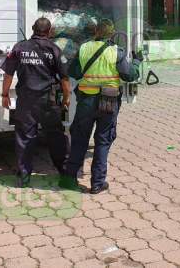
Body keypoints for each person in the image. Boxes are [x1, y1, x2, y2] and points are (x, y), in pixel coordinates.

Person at [60, 19, 141, 194]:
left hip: (87, 101)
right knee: (103, 140)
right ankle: (97, 183)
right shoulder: (116, 52)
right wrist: (136, 62)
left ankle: (69, 179)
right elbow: (130, 75)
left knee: (80, 138)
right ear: (111, 34)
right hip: (108, 101)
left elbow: (73, 72)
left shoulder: (84, 48)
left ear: (96, 31)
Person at [0, 17, 72, 188]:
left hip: (26, 100)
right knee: (55, 136)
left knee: (25, 137)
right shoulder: (54, 49)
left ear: (33, 28)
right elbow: (65, 78)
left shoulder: (19, 47)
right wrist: (67, 98)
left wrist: (4, 94)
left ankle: (24, 176)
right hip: (48, 100)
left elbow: (8, 74)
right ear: (50, 31)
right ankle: (64, 173)